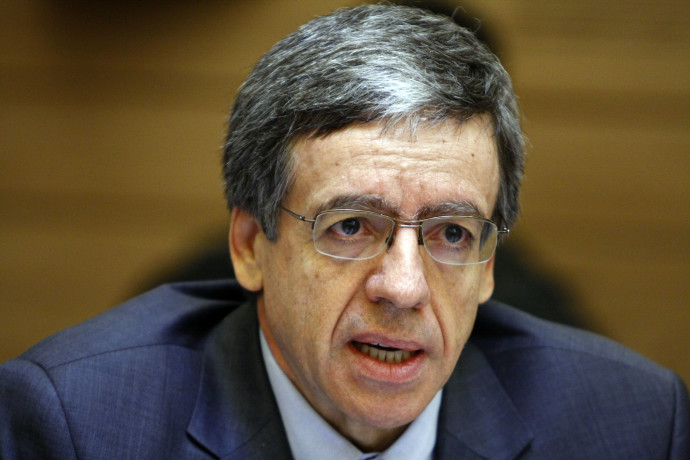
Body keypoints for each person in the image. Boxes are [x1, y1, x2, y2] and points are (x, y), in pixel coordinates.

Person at [0, 4, 687, 459]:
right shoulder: (78, 426)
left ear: (488, 267)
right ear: (249, 245)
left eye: (452, 234)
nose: (404, 287)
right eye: (351, 225)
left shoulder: (633, 423)